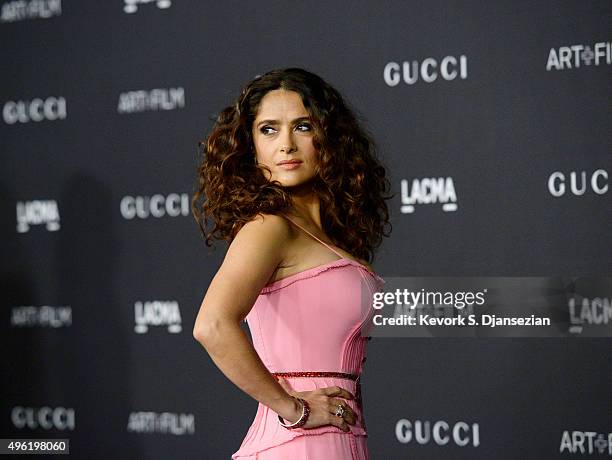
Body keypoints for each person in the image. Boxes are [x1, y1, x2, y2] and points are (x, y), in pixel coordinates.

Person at [191, 67, 391, 459]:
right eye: (268, 129)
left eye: (302, 126)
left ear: (329, 138)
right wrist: (293, 409)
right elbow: (212, 325)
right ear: (250, 146)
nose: (285, 144)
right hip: (296, 445)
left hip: (341, 441)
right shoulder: (269, 227)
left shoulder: (328, 236)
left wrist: (525, 307)